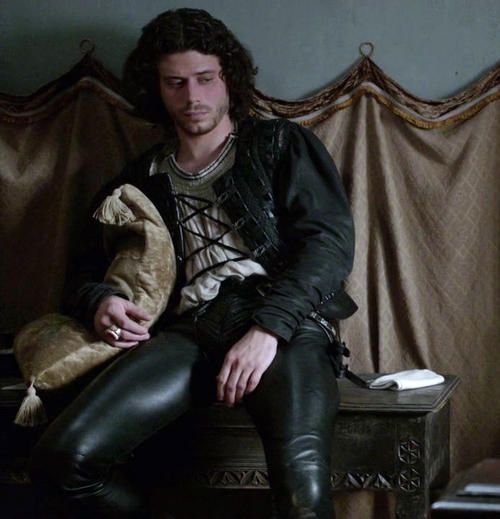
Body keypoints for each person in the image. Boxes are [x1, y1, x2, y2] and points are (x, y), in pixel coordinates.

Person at [30, 8, 356, 519]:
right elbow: (84, 273)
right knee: (62, 461)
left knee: (303, 494)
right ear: (156, 88)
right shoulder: (139, 180)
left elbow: (329, 245)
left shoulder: (279, 144)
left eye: (205, 78)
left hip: (284, 326)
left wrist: (269, 328)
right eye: (175, 83)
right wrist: (102, 301)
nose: (192, 97)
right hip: (188, 333)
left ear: (229, 79)